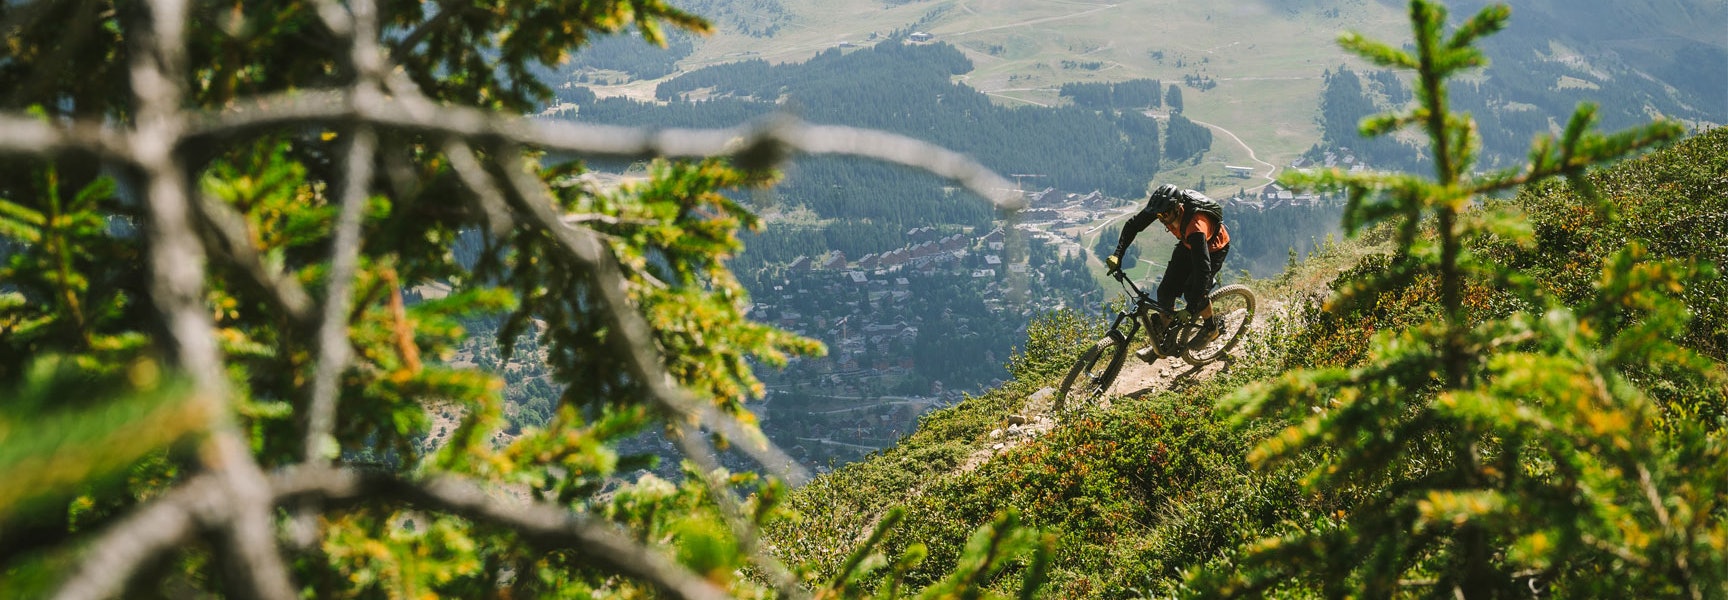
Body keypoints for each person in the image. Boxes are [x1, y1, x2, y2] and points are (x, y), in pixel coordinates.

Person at [1104, 183, 1231, 354]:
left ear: (1177, 208)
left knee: (1194, 291)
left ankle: (1211, 327)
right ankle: (1166, 336)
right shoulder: (1162, 209)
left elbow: (1203, 270)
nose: (1161, 218)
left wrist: (1190, 308)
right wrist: (1117, 254)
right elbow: (1134, 225)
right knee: (1165, 292)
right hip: (1187, 245)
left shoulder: (1196, 226)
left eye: (1165, 215)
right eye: (1158, 215)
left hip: (1213, 248)